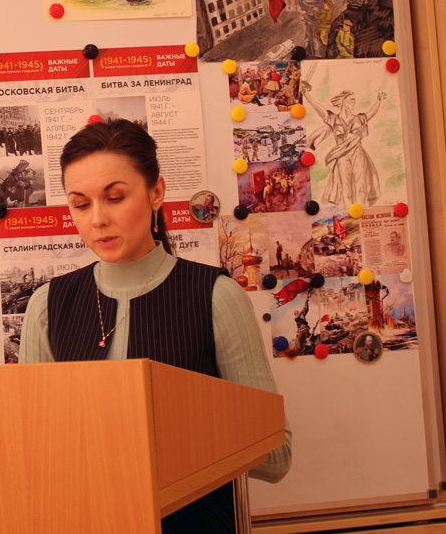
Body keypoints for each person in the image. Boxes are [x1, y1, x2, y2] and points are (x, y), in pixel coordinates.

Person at [19, 119, 292, 533]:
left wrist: (164, 436)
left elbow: (276, 454)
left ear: (156, 193)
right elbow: (33, 450)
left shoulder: (215, 297)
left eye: (115, 198)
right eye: (81, 204)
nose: (97, 219)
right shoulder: (47, 305)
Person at [304, 87, 385, 206]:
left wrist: (378, 101)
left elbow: (371, 113)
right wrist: (305, 93)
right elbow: (317, 106)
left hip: (358, 154)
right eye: (351, 100)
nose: (354, 103)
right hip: (342, 156)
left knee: (361, 184)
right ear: (343, 101)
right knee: (345, 186)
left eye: (354, 100)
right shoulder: (333, 119)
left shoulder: (359, 118)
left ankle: (361, 209)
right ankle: (347, 210)